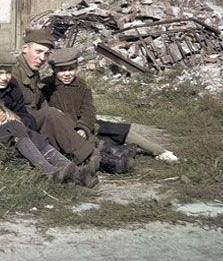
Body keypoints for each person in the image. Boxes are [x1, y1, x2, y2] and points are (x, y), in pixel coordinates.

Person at [0, 49, 99, 187]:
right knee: (15, 127)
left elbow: (26, 116)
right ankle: (50, 172)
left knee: (28, 131)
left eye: (8, 73)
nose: (4, 77)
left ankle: (76, 173)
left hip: (15, 138)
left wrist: (19, 121)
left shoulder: (12, 89)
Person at [43, 47, 179, 172]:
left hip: (84, 124)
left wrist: (83, 127)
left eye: (71, 69)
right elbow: (44, 111)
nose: (67, 74)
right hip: (64, 130)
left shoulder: (81, 84)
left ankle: (159, 151)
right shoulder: (46, 85)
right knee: (94, 143)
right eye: (62, 70)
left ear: (77, 67)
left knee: (117, 129)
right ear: (54, 70)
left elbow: (88, 109)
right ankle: (118, 155)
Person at [11, 28, 101, 172]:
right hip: (20, 124)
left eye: (46, 54)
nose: (42, 58)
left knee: (60, 115)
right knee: (51, 114)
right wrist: (49, 112)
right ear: (25, 48)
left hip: (32, 120)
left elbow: (38, 101)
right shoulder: (13, 73)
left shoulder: (32, 72)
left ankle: (93, 153)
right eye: (38, 51)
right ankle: (90, 156)